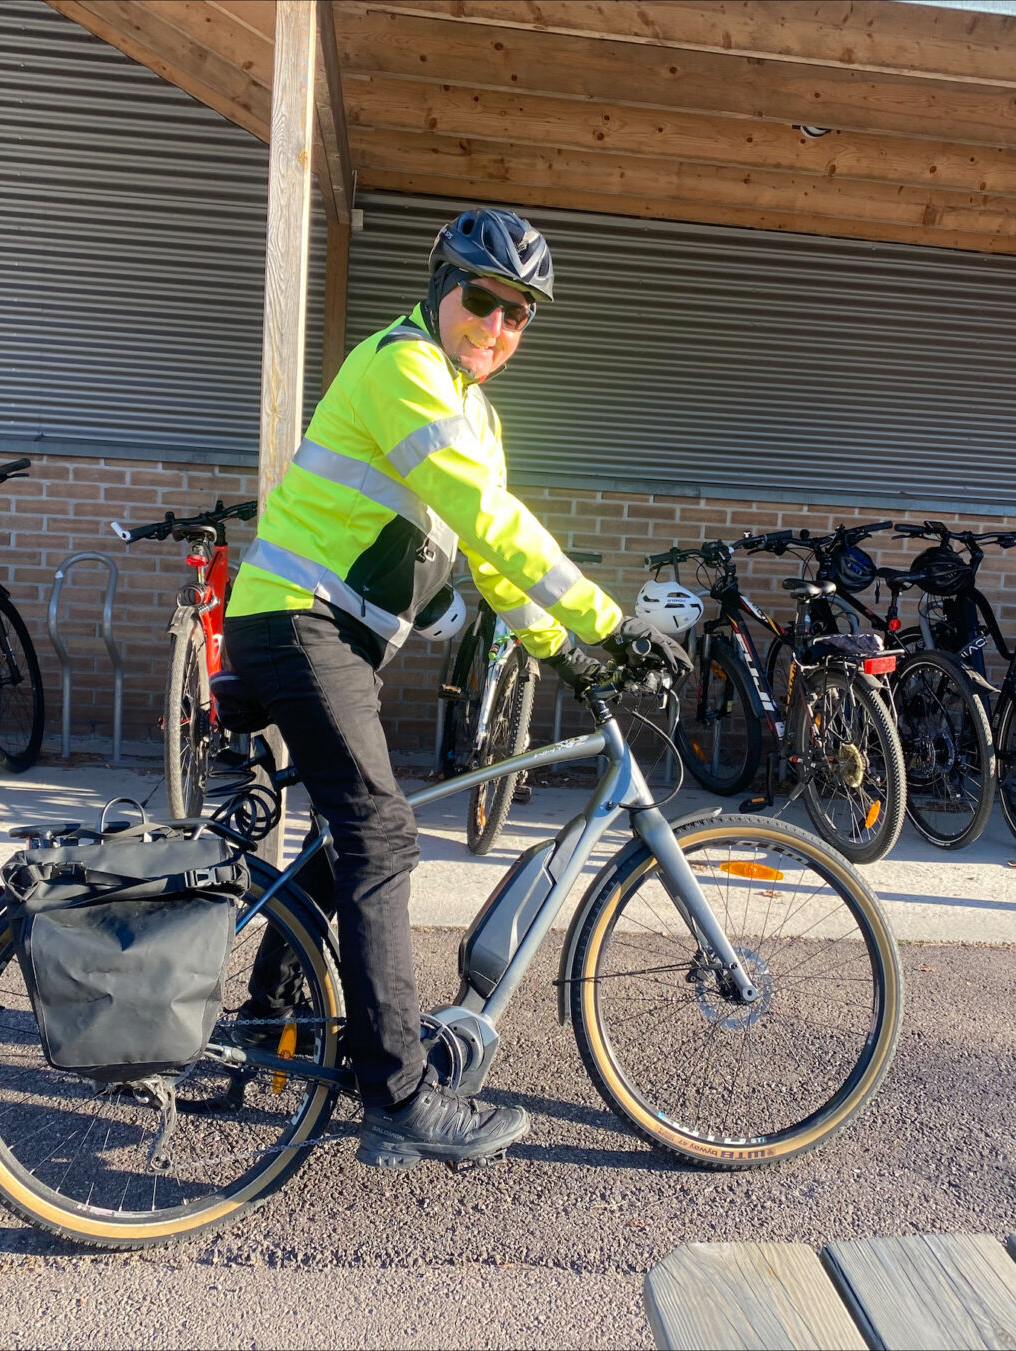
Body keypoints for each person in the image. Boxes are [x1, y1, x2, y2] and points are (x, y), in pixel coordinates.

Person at [222, 207, 688, 1170]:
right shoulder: (400, 367)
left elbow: (495, 564)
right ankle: (398, 1096)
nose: (497, 326)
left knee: (343, 839)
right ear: (442, 288)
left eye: (519, 314)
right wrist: (608, 621)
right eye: (482, 299)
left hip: (331, 635)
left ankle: (270, 1023)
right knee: (384, 836)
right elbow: (489, 515)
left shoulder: (476, 412)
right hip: (296, 620)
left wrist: (563, 649)